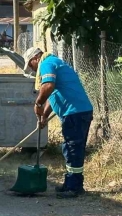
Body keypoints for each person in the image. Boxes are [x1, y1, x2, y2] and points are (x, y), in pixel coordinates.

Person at [23, 47, 93, 199]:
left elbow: (48, 86)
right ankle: (70, 184)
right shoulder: (54, 62)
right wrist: (44, 116)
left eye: (30, 65)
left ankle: (75, 188)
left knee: (73, 149)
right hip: (76, 112)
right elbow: (54, 95)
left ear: (35, 58)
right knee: (69, 149)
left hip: (75, 113)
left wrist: (38, 104)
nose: (32, 69)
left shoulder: (46, 63)